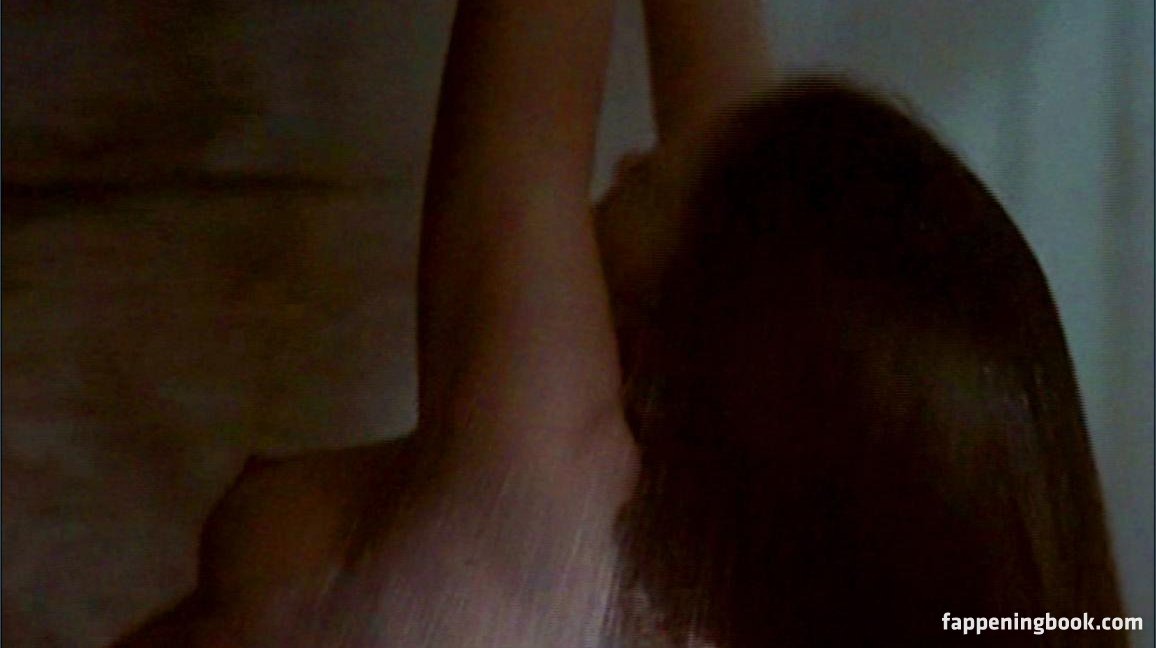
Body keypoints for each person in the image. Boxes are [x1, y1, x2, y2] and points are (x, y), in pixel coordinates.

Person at [113, 0, 1125, 645]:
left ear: (716, 324)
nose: (629, 160)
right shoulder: (711, 568)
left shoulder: (548, 508)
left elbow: (526, 110)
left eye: (646, 181)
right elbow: (732, 151)